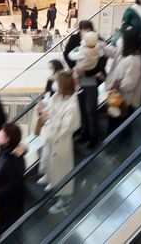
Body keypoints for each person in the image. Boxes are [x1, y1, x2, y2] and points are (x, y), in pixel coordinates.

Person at [36, 71, 81, 214]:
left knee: (63, 172)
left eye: (57, 82)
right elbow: (49, 112)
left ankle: (65, 201)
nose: (54, 84)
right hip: (51, 138)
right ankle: (53, 185)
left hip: (61, 143)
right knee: (52, 166)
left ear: (63, 85)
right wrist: (43, 110)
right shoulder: (57, 96)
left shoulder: (73, 106)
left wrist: (47, 117)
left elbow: (64, 129)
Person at [64, 21, 107, 149]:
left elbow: (102, 61)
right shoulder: (75, 39)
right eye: (83, 32)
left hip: (91, 79)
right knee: (81, 107)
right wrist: (74, 68)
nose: (85, 35)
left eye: (87, 32)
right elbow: (67, 54)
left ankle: (93, 136)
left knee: (91, 108)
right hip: (77, 79)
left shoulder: (98, 40)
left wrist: (87, 70)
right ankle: (84, 132)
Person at [0, 123, 25, 242]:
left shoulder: (17, 159)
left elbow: (14, 185)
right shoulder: (4, 150)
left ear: (8, 138)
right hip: (0, 199)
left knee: (6, 230)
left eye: (3, 133)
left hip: (10, 204)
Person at [102, 28, 141, 133]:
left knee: (118, 127)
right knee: (113, 123)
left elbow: (130, 82)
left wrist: (114, 84)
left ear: (128, 41)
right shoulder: (123, 51)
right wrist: (100, 45)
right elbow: (114, 52)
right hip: (117, 96)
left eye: (122, 38)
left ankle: (118, 147)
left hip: (125, 100)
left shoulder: (133, 60)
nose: (120, 40)